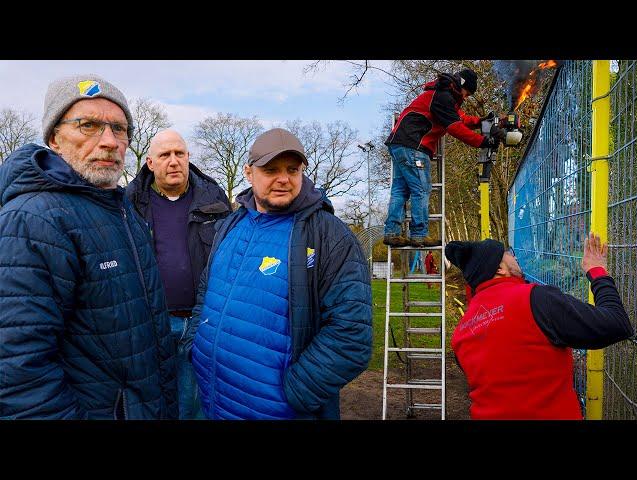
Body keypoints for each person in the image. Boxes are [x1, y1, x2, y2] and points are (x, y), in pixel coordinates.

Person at [0, 74, 177, 419]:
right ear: (54, 138)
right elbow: (19, 369)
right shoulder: (33, 220)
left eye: (120, 129)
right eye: (88, 125)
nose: (110, 141)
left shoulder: (121, 209)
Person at [184, 128, 373, 420]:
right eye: (271, 169)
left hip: (279, 411)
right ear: (249, 173)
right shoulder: (230, 225)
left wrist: (296, 394)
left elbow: (352, 335)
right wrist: (195, 345)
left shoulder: (329, 235)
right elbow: (206, 292)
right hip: (215, 401)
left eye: (292, 169)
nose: (283, 179)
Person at [445, 234, 634, 420]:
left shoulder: (460, 333)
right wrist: (597, 271)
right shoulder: (535, 299)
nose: (514, 255)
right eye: (507, 253)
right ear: (500, 268)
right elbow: (617, 323)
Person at [126, 129, 231, 419]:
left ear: (188, 157)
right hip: (151, 321)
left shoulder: (215, 198)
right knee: (151, 398)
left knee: (193, 401)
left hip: (202, 320)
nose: (174, 161)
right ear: (150, 162)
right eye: (165, 155)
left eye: (179, 153)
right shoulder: (129, 202)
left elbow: (230, 256)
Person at [383, 68, 506, 248]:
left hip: (400, 144)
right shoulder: (443, 97)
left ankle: (392, 232)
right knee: (422, 189)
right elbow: (455, 127)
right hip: (413, 145)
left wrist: (480, 122)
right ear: (461, 85)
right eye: (468, 93)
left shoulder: (443, 94)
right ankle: (419, 234)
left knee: (400, 190)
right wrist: (483, 142)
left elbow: (460, 118)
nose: (466, 97)